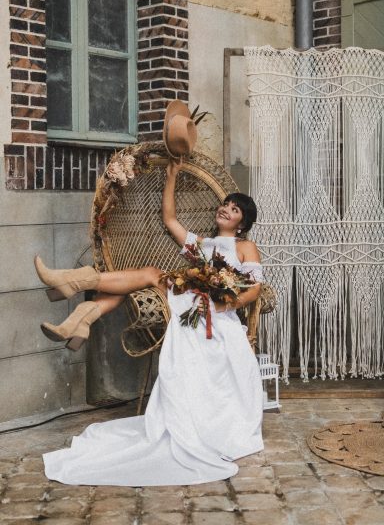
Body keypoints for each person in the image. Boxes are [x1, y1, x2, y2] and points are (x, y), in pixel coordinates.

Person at [34, 126, 264, 488]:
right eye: (225, 204)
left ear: (243, 222)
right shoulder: (202, 244)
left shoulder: (245, 248)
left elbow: (254, 289)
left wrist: (222, 306)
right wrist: (171, 176)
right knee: (148, 274)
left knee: (148, 273)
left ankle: (76, 299)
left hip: (211, 309)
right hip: (188, 294)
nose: (225, 209)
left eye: (234, 209)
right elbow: (171, 220)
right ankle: (77, 309)